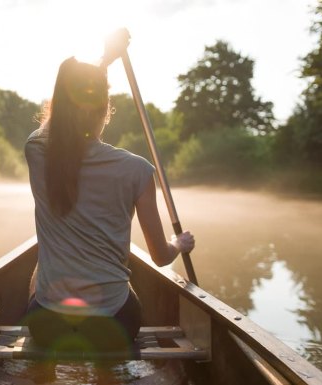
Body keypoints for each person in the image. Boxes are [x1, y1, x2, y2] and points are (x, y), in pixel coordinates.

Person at [24, 56, 195, 356]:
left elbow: (59, 118)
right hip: (114, 324)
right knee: (124, 291)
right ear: (106, 111)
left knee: (41, 265)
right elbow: (160, 257)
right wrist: (178, 243)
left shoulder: (37, 152)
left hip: (47, 325)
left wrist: (103, 62)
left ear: (59, 106)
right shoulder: (138, 170)